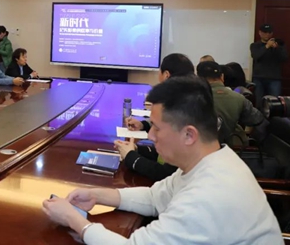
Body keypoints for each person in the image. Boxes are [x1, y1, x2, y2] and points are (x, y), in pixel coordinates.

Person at [43, 76, 282, 245]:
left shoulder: (209, 195)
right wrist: (97, 195)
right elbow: (155, 197)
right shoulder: (210, 160)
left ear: (189, 135)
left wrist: (74, 220)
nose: (150, 135)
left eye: (156, 128)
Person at [114, 53, 194, 181]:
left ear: (166, 75)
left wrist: (131, 157)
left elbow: (166, 173)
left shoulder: (180, 110)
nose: (151, 135)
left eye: (157, 127)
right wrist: (137, 149)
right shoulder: (189, 101)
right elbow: (163, 154)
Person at [197, 61, 264, 145]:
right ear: (222, 77)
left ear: (199, 79)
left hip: (202, 147)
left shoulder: (193, 98)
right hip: (233, 148)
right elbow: (257, 119)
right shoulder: (239, 98)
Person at [250, 23, 288, 107]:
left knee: (275, 103)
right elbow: (256, 56)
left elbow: (284, 58)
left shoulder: (279, 45)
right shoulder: (255, 45)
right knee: (259, 102)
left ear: (272, 33)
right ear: (260, 33)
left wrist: (277, 48)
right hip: (258, 78)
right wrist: (267, 46)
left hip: (274, 79)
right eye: (264, 32)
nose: (267, 34)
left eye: (269, 32)